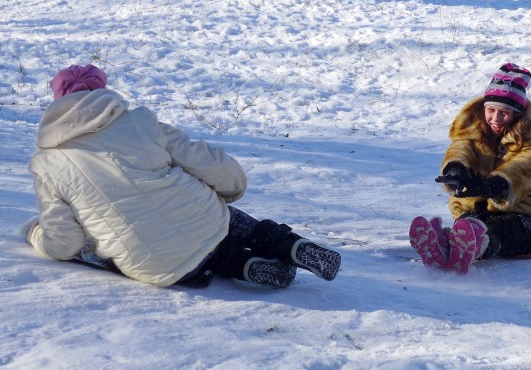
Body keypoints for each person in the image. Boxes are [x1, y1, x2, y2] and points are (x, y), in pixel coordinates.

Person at [21, 64, 341, 288]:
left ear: (58, 104)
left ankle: (242, 268)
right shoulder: (141, 122)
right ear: (104, 93)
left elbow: (65, 243)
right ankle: (288, 244)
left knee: (195, 256)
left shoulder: (47, 164)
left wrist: (35, 233)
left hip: (154, 266)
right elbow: (208, 163)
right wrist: (229, 191)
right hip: (206, 222)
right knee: (226, 224)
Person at [409, 63, 531, 275]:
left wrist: (496, 183)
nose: (495, 119)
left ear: (517, 114)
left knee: (504, 231)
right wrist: (455, 169)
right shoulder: (474, 129)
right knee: (470, 225)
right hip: (474, 210)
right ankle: (443, 244)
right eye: (491, 110)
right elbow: (461, 149)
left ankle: (476, 247)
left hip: (522, 214)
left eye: (504, 113)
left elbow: (528, 163)